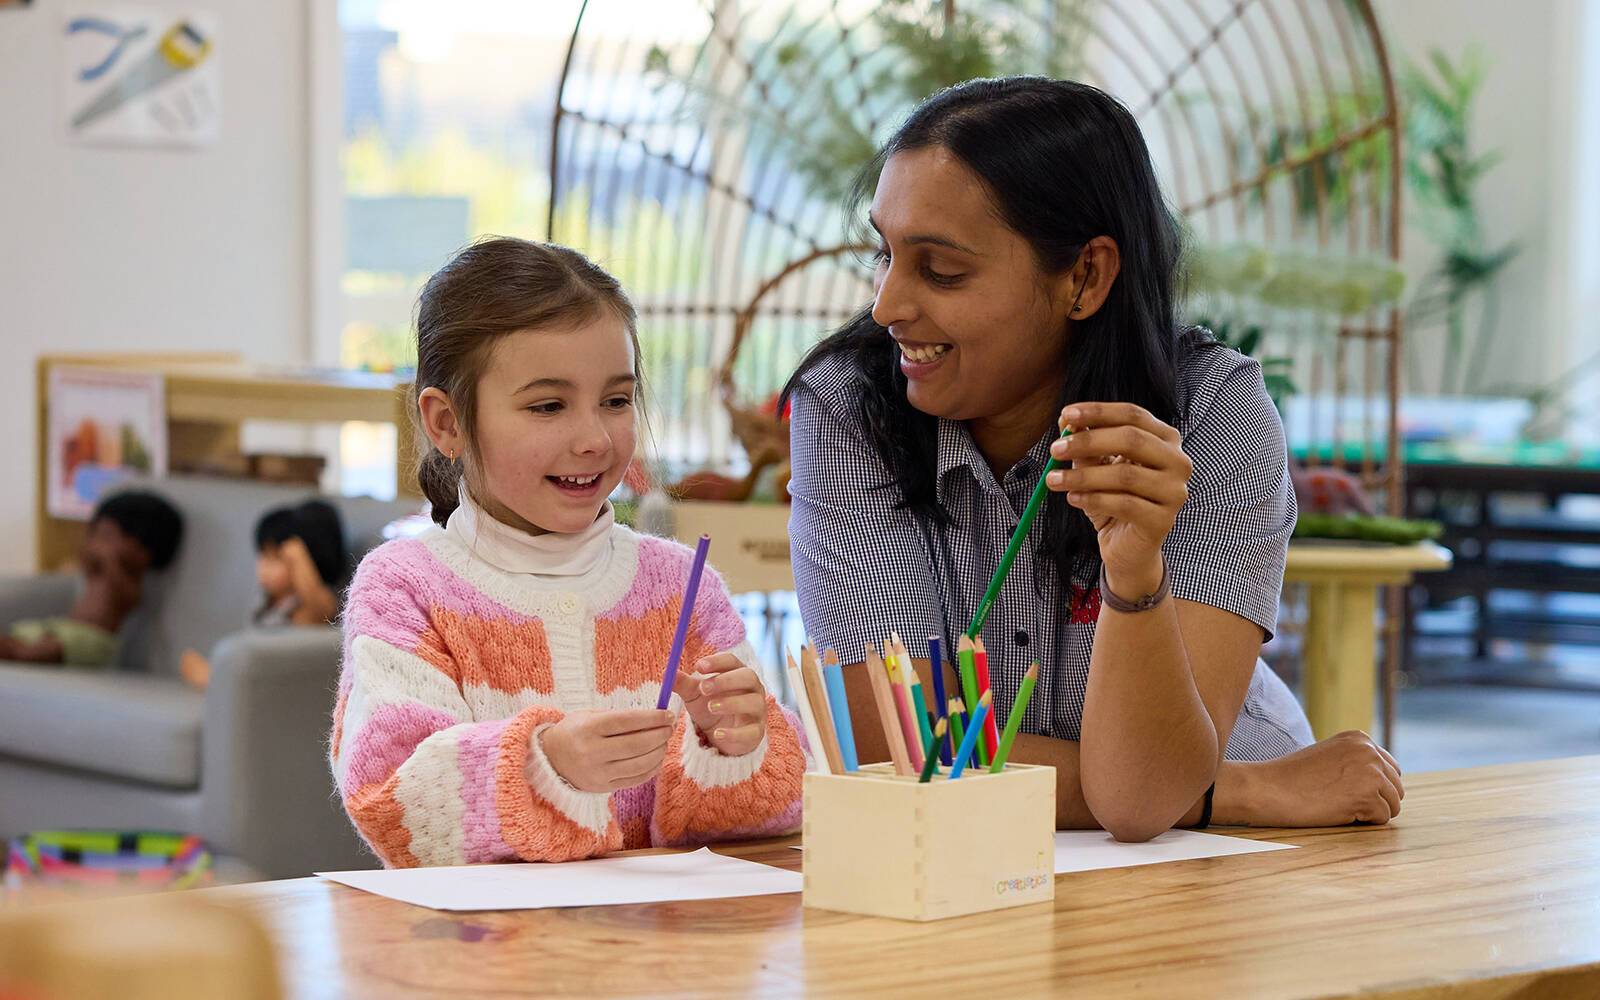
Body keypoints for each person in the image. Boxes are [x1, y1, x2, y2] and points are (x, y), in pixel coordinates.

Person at [784, 77, 1403, 841]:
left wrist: (1136, 569)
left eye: (941, 270)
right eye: (884, 252)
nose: (886, 305)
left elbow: (1138, 798)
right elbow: (895, 748)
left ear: (1085, 276)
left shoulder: (1214, 416)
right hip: (1243, 807)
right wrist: (1232, 791)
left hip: (1227, 865)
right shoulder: (849, 407)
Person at [330, 237, 805, 867]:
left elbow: (781, 806)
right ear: (446, 423)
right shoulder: (405, 589)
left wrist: (736, 746)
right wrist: (546, 763)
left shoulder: (681, 586)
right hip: (484, 957)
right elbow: (395, 807)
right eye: (548, 406)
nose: (594, 439)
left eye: (615, 401)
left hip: (669, 956)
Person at [0, 491, 182, 668]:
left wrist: (111, 560)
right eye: (98, 534)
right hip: (64, 627)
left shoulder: (130, 582)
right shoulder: (95, 571)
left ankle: (21, 653)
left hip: (95, 639)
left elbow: (128, 597)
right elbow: (83, 560)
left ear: (144, 550)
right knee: (21, 637)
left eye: (110, 537)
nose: (101, 543)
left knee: (38, 651)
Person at [180, 499, 345, 690]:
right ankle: (222, 684)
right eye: (262, 555)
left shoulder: (303, 609)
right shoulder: (266, 601)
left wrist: (298, 556)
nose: (262, 566)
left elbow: (322, 613)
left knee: (208, 671)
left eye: (275, 558)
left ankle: (220, 684)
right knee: (191, 661)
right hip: (254, 672)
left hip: (278, 684)